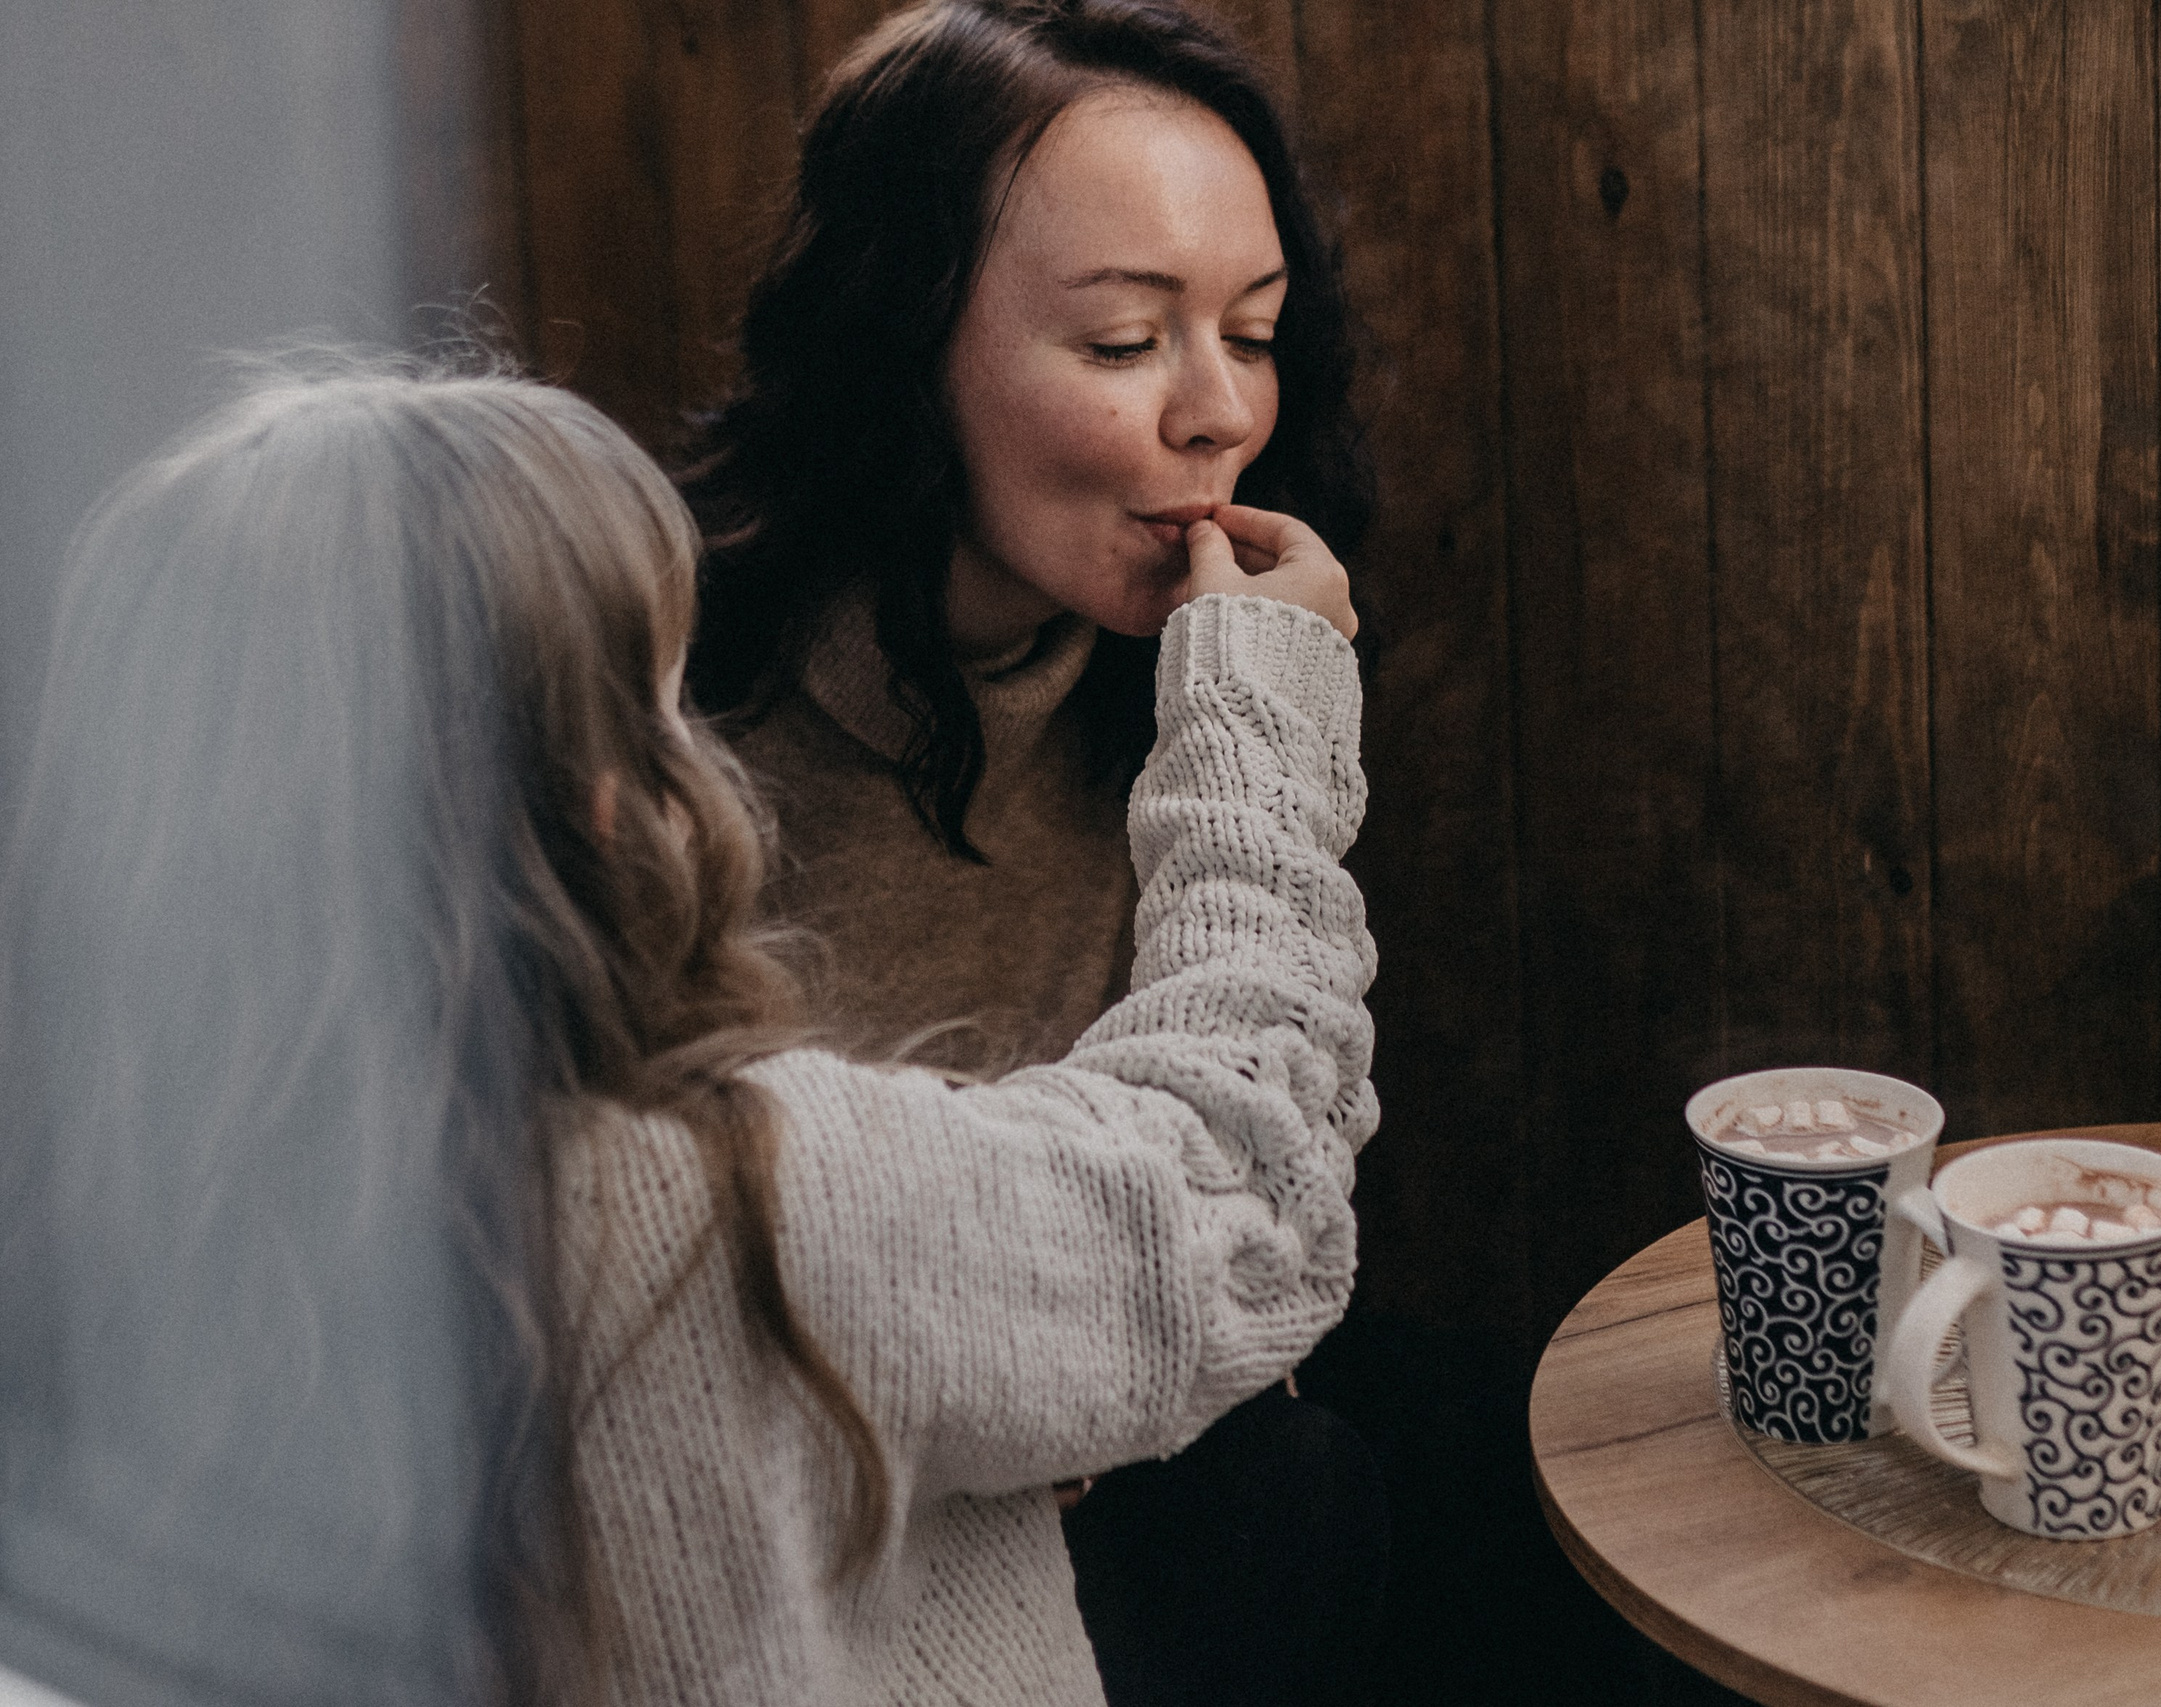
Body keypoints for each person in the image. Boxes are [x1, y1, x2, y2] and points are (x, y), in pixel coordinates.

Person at [0, 357, 1373, 1707]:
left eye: (1258, 330)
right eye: (657, 704)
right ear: (597, 800)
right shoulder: (718, 1207)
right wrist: (1258, 697)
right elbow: (1236, 1186)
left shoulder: (102, 1237)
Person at [675, 4, 1391, 1699]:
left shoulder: (1217, 657)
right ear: (903, 342)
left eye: (1256, 330)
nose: (1220, 413)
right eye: (1128, 341)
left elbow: (1253, 1184)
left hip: (1138, 1410)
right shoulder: (665, 706)